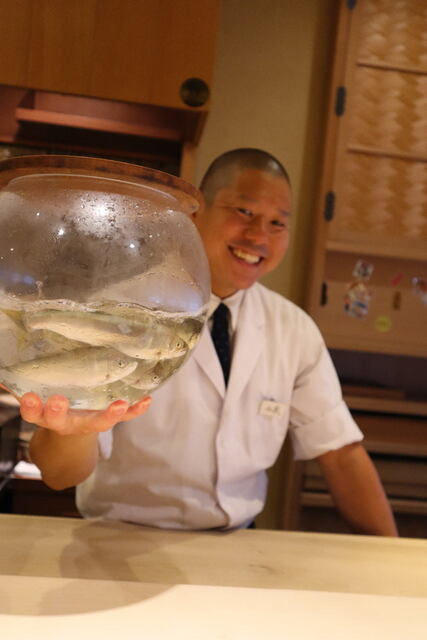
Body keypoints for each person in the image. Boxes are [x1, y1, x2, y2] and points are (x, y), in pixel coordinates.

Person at [25, 148, 397, 535]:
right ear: (195, 215)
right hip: (121, 537)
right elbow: (60, 474)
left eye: (277, 223)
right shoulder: (114, 312)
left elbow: (340, 454)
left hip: (237, 541)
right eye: (244, 211)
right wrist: (70, 430)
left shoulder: (294, 329)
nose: (259, 235)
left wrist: (392, 552)